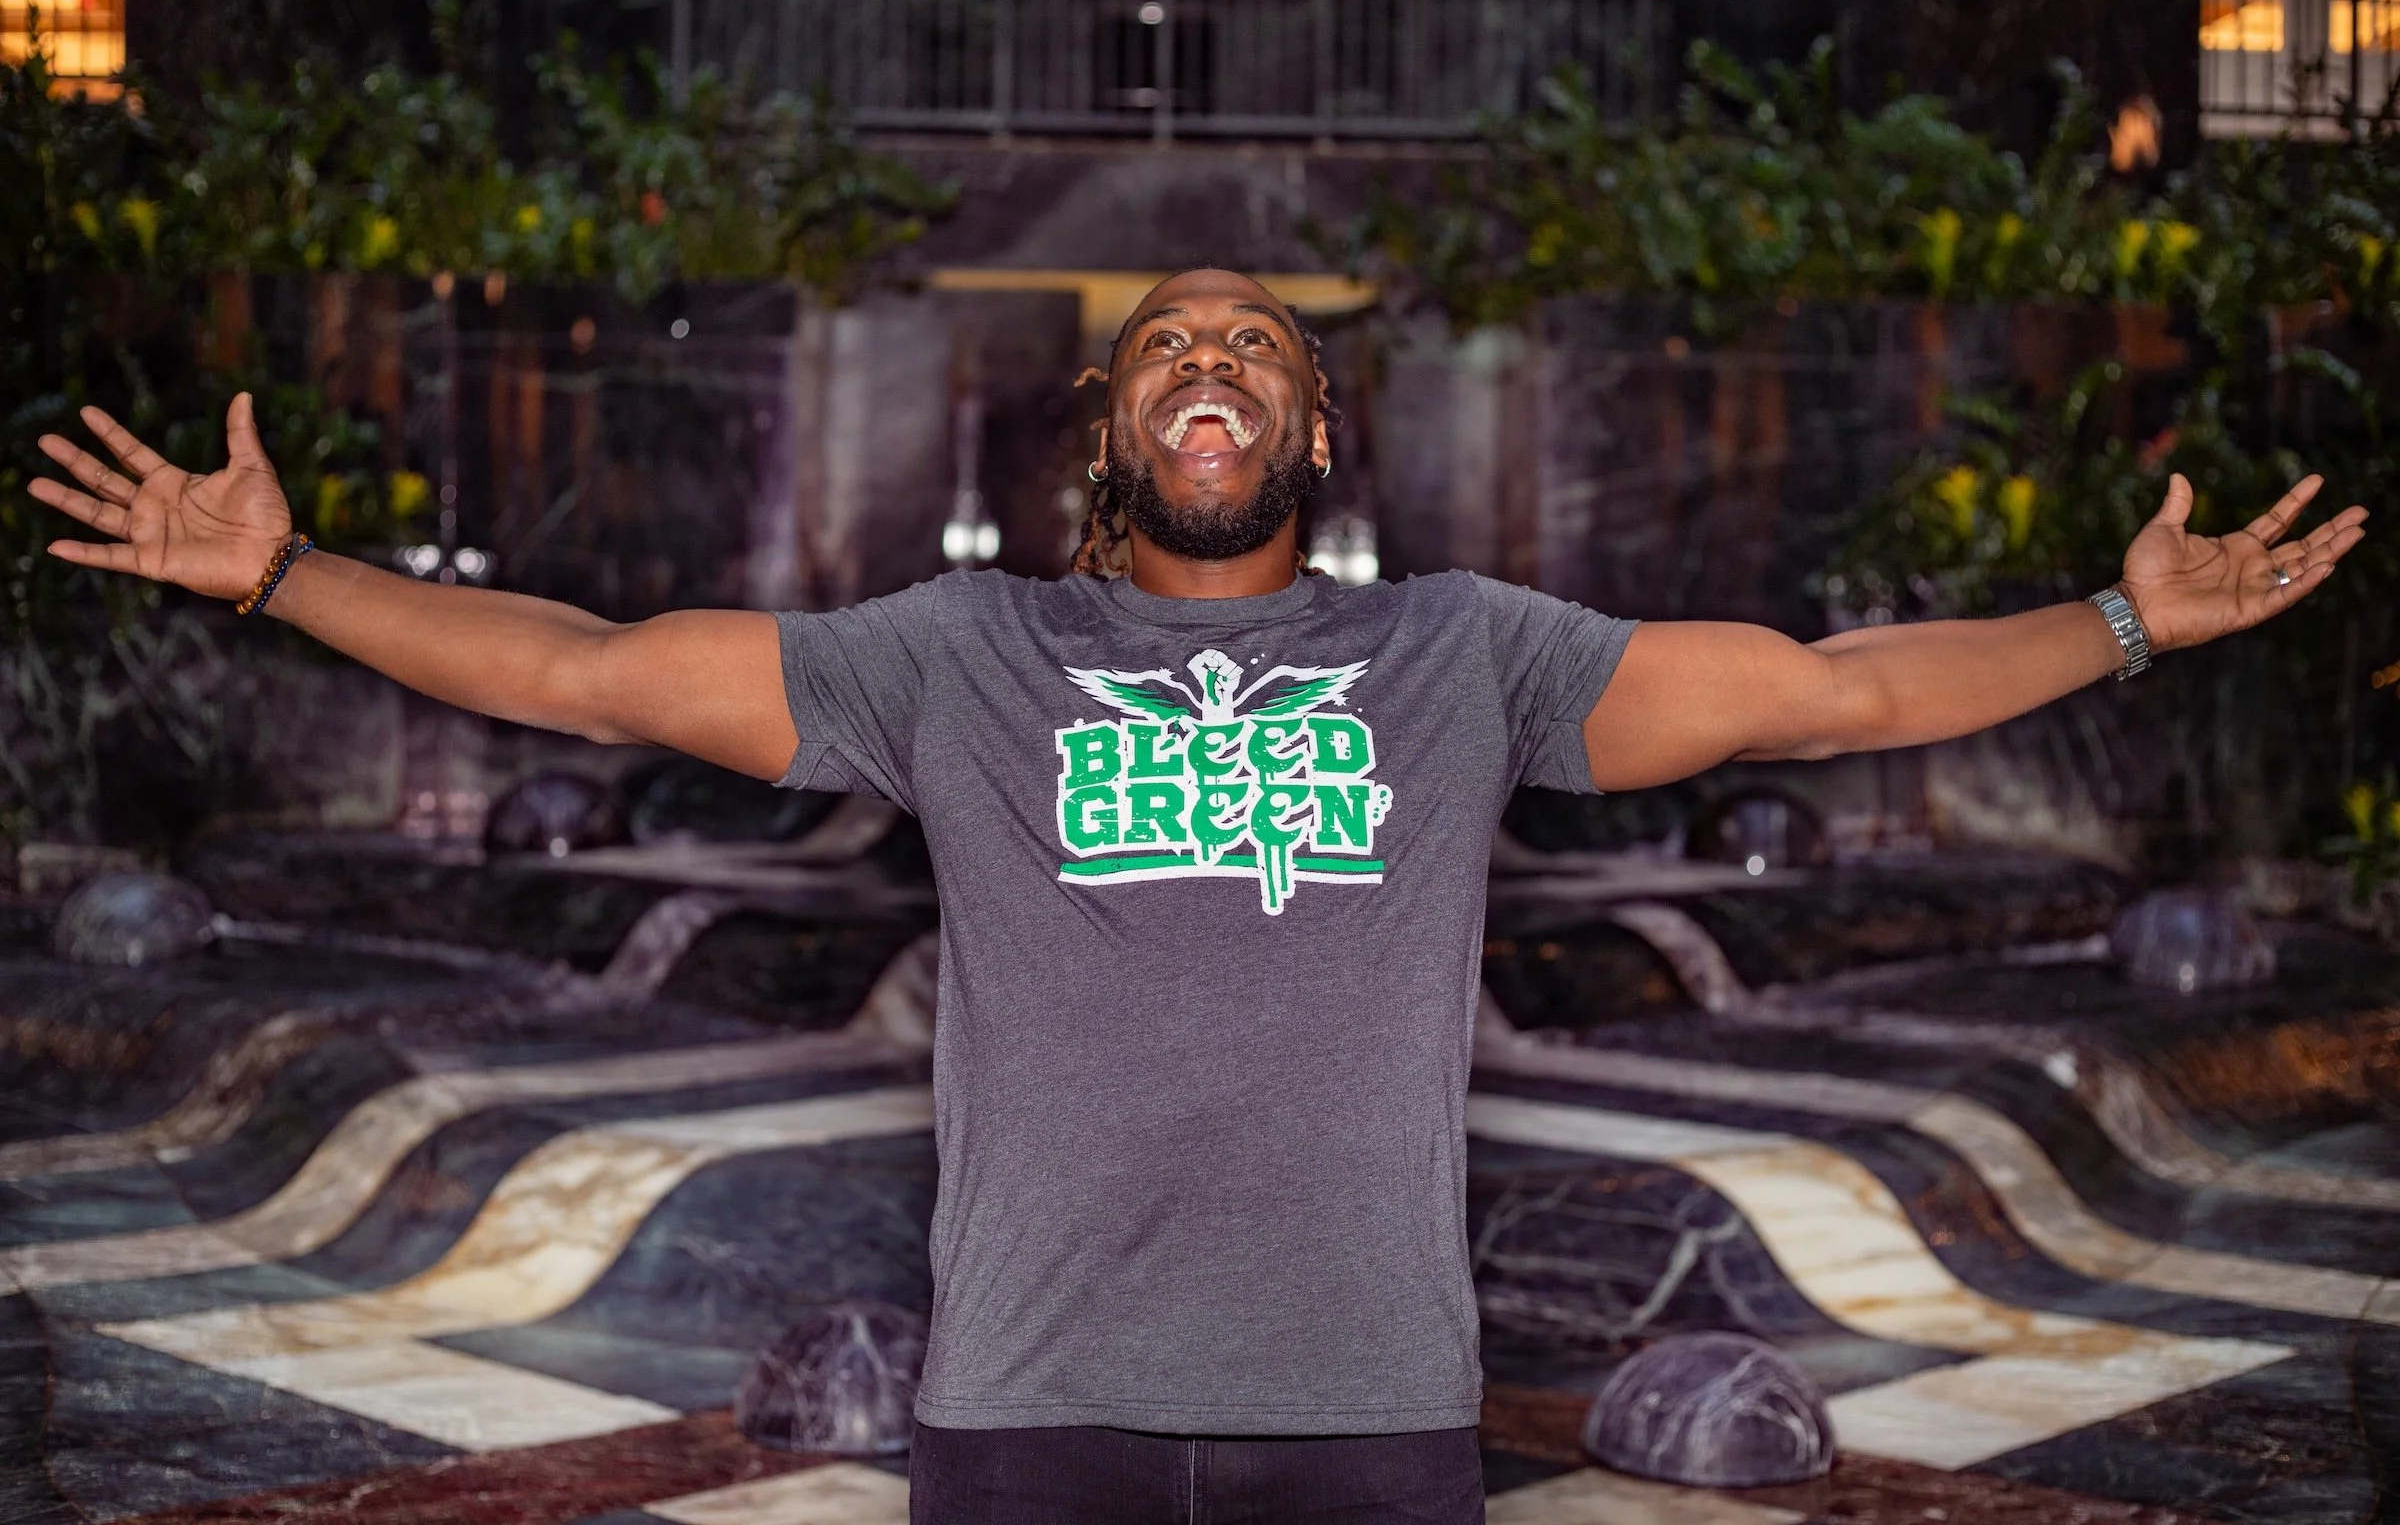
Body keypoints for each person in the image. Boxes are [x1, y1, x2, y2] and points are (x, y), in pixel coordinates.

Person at [29, 267, 2368, 1523]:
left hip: (1365, 1419)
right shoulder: (962, 657)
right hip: (1033, 1410)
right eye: (1166, 345)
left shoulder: (1461, 653)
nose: (1211, 362)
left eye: (1255, 342)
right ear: (1117, 437)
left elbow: (1827, 698)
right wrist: (288, 572)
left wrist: (2131, 621)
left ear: (1314, 433)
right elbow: (585, 669)